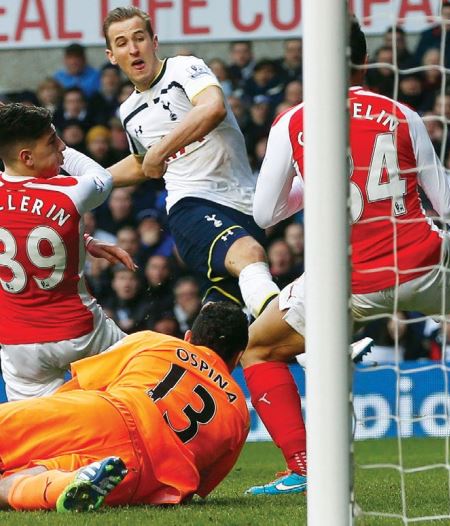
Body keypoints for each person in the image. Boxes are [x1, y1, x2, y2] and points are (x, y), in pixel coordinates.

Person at [241, 18, 450, 495]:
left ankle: (304, 467)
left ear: (314, 62)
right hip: (424, 264)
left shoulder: (293, 121)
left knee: (257, 349)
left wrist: (314, 186)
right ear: (366, 60)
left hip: (344, 284)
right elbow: (449, 203)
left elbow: (265, 213)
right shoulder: (401, 114)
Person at [103, 7, 279, 317]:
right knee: (250, 253)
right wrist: (89, 182)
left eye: (139, 38)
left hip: (243, 205)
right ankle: (315, 343)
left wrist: (159, 151)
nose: (133, 48)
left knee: (224, 323)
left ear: (154, 41)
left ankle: (198, 357)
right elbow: (141, 163)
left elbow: (212, 108)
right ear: (112, 55)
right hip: (190, 206)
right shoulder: (128, 111)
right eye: (121, 42)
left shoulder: (184, 69)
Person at [0, 302, 250, 513]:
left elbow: (87, 382)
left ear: (188, 337)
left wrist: (47, 420)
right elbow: (203, 482)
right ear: (238, 357)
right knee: (18, 482)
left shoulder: (156, 342)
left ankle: (64, 478)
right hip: (149, 476)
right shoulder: (240, 411)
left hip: (114, 415)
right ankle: (61, 484)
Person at [0, 103, 142, 400]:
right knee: (141, 377)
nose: (62, 146)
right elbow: (100, 174)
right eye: (53, 142)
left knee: (38, 432)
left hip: (18, 346)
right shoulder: (71, 192)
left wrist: (84, 240)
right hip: (81, 334)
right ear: (27, 157)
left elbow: (20, 228)